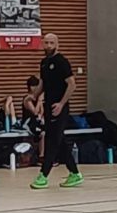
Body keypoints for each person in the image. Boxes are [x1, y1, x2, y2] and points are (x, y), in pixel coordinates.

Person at [29, 33, 83, 189]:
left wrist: (61, 104)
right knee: (59, 140)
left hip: (59, 107)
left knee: (52, 141)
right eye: (46, 43)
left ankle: (43, 175)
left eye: (51, 43)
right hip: (48, 106)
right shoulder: (44, 62)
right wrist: (33, 97)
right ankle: (75, 173)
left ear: (57, 44)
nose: (48, 46)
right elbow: (42, 83)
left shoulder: (62, 62)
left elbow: (71, 84)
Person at [22, 75, 45, 160]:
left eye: (36, 86)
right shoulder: (27, 99)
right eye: (33, 86)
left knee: (47, 130)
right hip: (28, 122)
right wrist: (39, 101)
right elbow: (35, 111)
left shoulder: (38, 98)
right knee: (41, 133)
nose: (35, 88)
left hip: (36, 120)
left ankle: (45, 154)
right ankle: (41, 156)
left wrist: (40, 102)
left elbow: (41, 111)